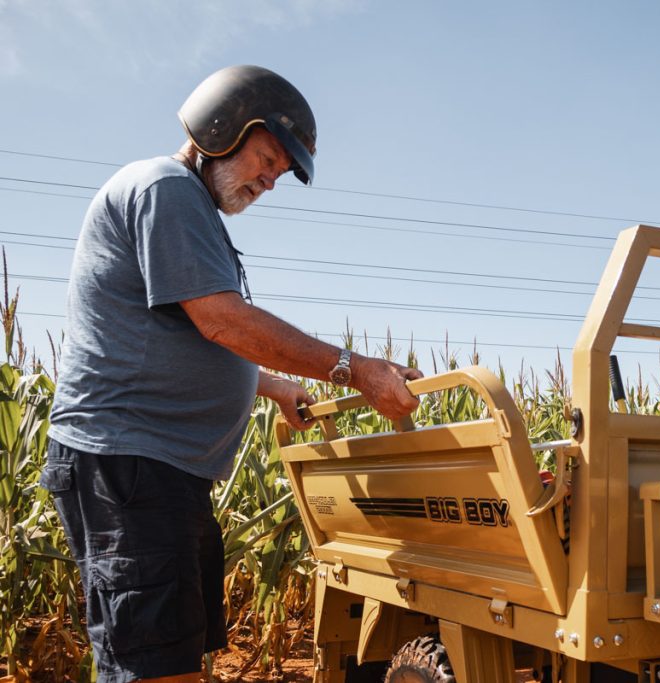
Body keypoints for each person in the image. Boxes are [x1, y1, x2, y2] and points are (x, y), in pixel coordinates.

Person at [40, 65, 423, 683]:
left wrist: (269, 385)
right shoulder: (164, 188)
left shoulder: (192, 209)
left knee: (173, 660)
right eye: (267, 158)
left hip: (162, 473)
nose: (271, 181)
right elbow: (221, 319)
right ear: (221, 128)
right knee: (154, 669)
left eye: (279, 173)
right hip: (128, 466)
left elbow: (189, 331)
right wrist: (355, 369)